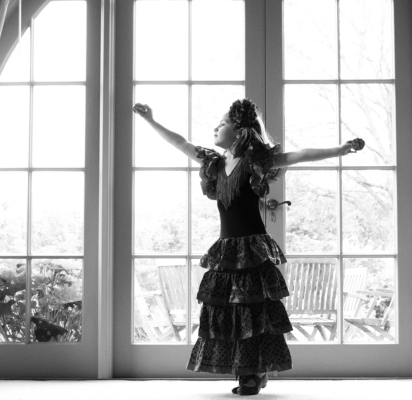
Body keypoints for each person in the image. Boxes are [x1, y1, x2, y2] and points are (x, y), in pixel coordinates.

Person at [133, 99, 364, 396]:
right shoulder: (213, 162)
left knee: (253, 313)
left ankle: (252, 373)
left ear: (240, 131)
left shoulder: (257, 162)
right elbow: (180, 142)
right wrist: (151, 120)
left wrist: (341, 149)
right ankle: (248, 370)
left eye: (223, 123)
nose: (216, 127)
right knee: (229, 312)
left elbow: (301, 155)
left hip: (252, 250)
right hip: (227, 249)